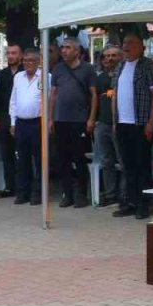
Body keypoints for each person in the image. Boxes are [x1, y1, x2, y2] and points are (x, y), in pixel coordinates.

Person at [112, 34, 153, 218]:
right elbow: (115, 94)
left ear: (141, 47)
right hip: (122, 123)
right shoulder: (120, 66)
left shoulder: (149, 66)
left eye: (131, 42)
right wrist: (114, 121)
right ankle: (130, 202)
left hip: (141, 123)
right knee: (128, 165)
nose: (126, 46)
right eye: (124, 42)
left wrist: (151, 123)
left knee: (142, 164)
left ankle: (144, 204)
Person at [50, 37, 97, 207]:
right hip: (60, 119)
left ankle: (81, 194)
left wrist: (91, 118)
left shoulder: (88, 69)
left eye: (68, 47)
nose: (64, 50)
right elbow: (53, 94)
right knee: (63, 158)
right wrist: (50, 118)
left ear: (77, 51)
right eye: (62, 47)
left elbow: (94, 95)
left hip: (79, 121)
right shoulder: (58, 69)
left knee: (79, 158)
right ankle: (67, 194)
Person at [9, 48, 45, 205]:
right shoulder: (18, 77)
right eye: (25, 60)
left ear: (38, 62)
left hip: (37, 123)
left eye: (31, 60)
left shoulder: (45, 77)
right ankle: (23, 192)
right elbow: (13, 101)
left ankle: (38, 193)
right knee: (21, 159)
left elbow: (49, 101)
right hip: (21, 123)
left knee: (39, 160)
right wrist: (12, 122)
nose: (28, 63)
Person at [93, 46, 123, 207]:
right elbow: (95, 99)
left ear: (121, 57)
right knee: (106, 161)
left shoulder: (124, 76)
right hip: (102, 124)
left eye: (113, 55)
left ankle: (124, 195)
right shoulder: (100, 78)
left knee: (123, 161)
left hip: (120, 124)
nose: (109, 59)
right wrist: (94, 119)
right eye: (106, 56)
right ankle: (111, 195)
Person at [0, 44, 24, 198]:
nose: (10, 56)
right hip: (5, 116)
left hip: (21, 117)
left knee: (23, 154)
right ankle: (9, 186)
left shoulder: (25, 72)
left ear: (21, 55)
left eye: (14, 53)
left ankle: (24, 187)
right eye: (9, 53)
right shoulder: (4, 73)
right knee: (6, 153)